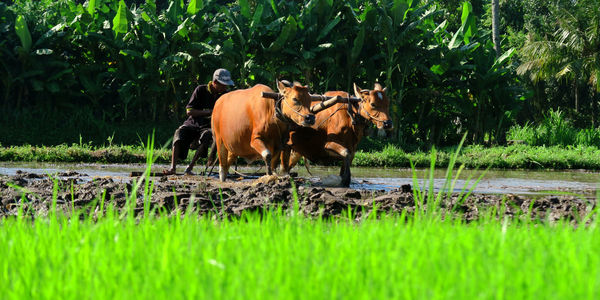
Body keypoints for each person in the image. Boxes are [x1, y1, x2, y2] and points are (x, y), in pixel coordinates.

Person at [163, 68, 234, 175]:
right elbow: (189, 111)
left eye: (226, 85)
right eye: (223, 85)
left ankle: (190, 167)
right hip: (193, 123)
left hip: (208, 126)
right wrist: (209, 112)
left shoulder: (225, 95)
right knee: (179, 133)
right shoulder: (200, 90)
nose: (225, 87)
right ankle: (173, 168)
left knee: (208, 135)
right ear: (214, 83)